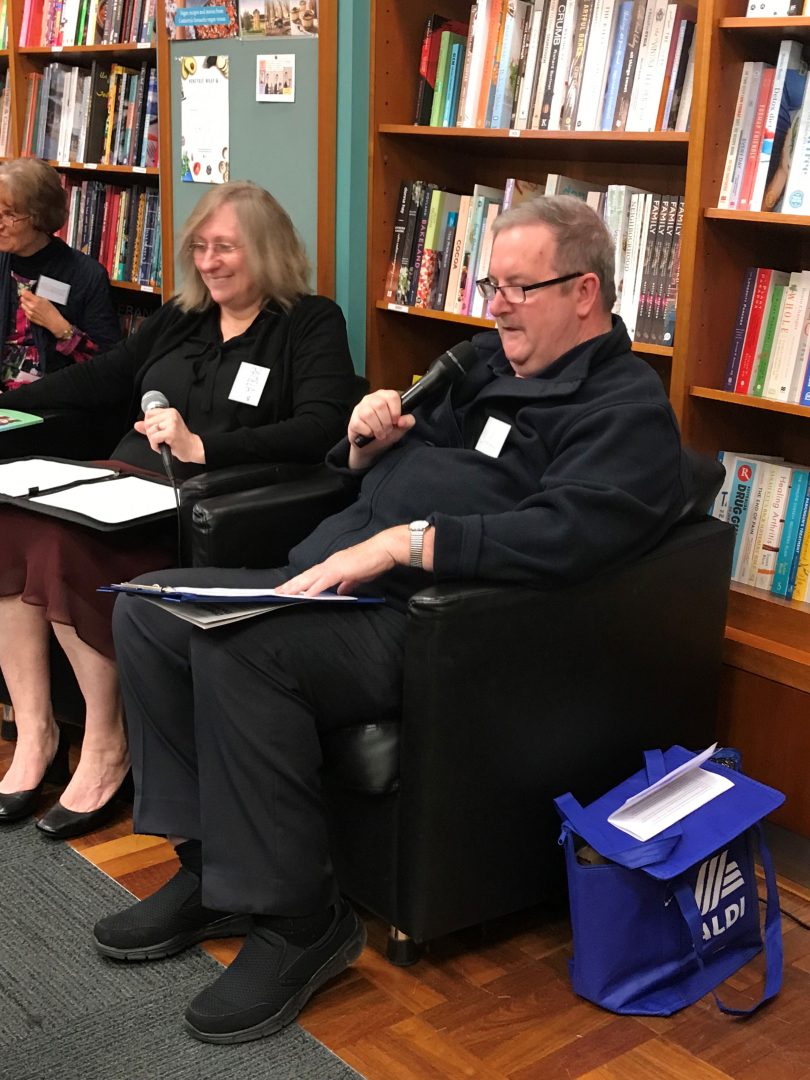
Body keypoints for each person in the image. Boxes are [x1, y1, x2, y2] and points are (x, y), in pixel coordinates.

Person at [99, 195, 688, 1044]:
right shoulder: (486, 364)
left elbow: (569, 533)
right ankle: (212, 873)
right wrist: (372, 437)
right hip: (328, 571)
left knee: (241, 652)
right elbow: (394, 451)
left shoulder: (623, 411)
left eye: (518, 288)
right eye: (493, 283)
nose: (495, 304)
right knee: (152, 612)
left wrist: (406, 543)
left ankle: (302, 923)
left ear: (585, 292)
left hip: (430, 621)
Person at [0, 180, 357, 840]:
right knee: (10, 522)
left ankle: (108, 749)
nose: (210, 261)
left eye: (227, 247)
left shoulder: (310, 322)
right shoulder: (184, 315)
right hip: (116, 480)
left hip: (197, 504)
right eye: (200, 246)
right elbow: (103, 377)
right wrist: (14, 404)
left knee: (56, 546)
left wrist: (204, 447)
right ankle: (37, 733)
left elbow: (321, 427)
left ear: (270, 250)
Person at [0, 157, 121, 392]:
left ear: (38, 216)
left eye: (9, 215)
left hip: (52, 406)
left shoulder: (86, 275)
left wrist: (61, 328)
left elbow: (111, 366)